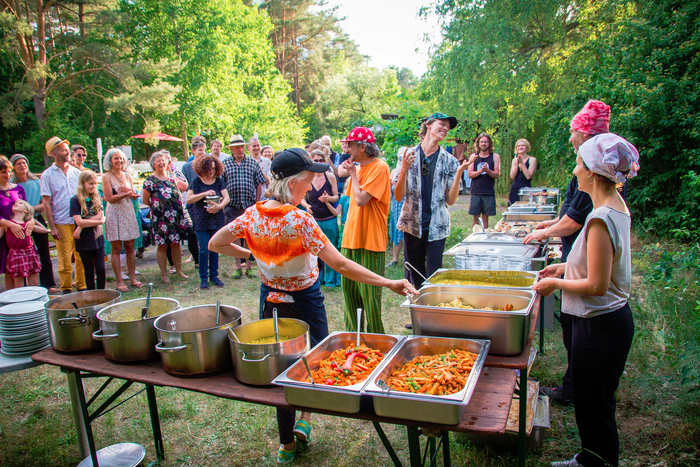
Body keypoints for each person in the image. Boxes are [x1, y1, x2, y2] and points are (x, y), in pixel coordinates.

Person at [208, 148, 416, 465]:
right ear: (293, 183)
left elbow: (216, 243)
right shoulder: (300, 220)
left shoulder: (253, 215)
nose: (311, 185)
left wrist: (256, 253)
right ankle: (306, 415)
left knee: (282, 369)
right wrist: (388, 283)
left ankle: (287, 443)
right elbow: (341, 265)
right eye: (308, 179)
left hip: (271, 300)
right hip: (306, 301)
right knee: (316, 357)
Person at [533, 132, 639, 467]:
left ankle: (596, 462)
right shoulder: (614, 208)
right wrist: (564, 265)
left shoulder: (599, 219)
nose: (575, 171)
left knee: (594, 406)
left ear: (592, 172)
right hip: (610, 322)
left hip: (598, 325)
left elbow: (596, 284)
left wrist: (557, 285)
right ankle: (591, 458)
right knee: (596, 402)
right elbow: (600, 263)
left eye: (579, 164)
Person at [523, 100, 608, 406]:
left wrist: (544, 234)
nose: (570, 139)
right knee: (574, 333)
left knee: (579, 337)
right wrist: (561, 262)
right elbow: (568, 215)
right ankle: (576, 387)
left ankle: (576, 390)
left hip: (589, 283)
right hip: (576, 263)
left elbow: (573, 222)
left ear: (586, 134)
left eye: (574, 132)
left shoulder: (598, 190)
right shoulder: (587, 174)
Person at [394, 113, 468, 286]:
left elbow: (450, 200)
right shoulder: (407, 154)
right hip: (412, 225)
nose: (445, 129)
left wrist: (458, 173)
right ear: (428, 125)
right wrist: (404, 169)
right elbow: (398, 196)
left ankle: (433, 309)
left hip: (437, 225)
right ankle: (418, 309)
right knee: (415, 273)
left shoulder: (450, 161)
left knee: (435, 274)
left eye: (448, 128)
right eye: (441, 124)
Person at [337, 127, 391, 334]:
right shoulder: (358, 168)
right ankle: (353, 337)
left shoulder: (380, 167)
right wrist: (353, 172)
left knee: (370, 297)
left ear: (362, 146)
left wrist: (353, 174)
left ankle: (377, 338)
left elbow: (360, 200)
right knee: (350, 295)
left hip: (370, 240)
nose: (346, 147)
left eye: (350, 144)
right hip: (350, 238)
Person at [41, 137, 86, 294]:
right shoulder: (47, 175)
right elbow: (47, 203)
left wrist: (84, 221)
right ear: (54, 154)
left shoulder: (77, 173)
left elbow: (83, 197)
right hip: (60, 221)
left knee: (81, 255)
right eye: (63, 150)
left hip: (78, 220)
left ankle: (82, 285)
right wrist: (51, 226)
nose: (67, 152)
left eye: (67, 149)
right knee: (65, 258)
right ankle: (66, 287)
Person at [11, 154, 58, 292]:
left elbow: (44, 204)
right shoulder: (13, 186)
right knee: (23, 253)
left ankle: (47, 285)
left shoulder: (37, 182)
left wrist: (28, 209)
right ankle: (25, 287)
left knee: (44, 252)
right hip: (19, 222)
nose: (22, 165)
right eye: (18, 163)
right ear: (13, 167)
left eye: (24, 163)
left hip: (37, 218)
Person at [222, 134, 265, 279]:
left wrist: (257, 201)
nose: (240, 150)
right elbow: (221, 185)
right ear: (231, 149)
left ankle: (248, 266)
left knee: (248, 235)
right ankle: (237, 266)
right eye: (236, 147)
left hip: (249, 204)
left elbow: (259, 182)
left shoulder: (252, 163)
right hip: (232, 205)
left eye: (241, 146)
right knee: (234, 235)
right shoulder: (225, 164)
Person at [142, 151, 190, 283]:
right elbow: (145, 200)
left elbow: (184, 188)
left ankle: (179, 272)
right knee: (162, 246)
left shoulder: (172, 176)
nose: (161, 163)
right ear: (153, 164)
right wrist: (160, 206)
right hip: (160, 219)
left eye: (163, 160)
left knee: (176, 244)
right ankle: (164, 275)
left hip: (175, 217)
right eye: (158, 160)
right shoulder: (150, 181)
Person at [102, 147, 143, 292]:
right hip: (115, 213)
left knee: (131, 247)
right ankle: (119, 280)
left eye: (120, 158)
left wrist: (132, 195)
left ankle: (132, 278)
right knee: (116, 248)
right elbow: (109, 199)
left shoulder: (127, 175)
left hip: (128, 211)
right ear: (110, 161)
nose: (119, 161)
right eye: (115, 158)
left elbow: (131, 193)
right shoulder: (106, 177)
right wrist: (125, 194)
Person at [186, 155, 229, 289]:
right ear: (202, 168)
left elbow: (226, 198)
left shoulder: (219, 181)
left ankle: (214, 275)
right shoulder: (196, 182)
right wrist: (204, 194)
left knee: (214, 248)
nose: (211, 171)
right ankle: (203, 278)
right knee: (204, 250)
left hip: (216, 219)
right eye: (209, 169)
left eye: (214, 168)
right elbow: (188, 199)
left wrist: (219, 206)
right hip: (201, 220)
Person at [303, 149, 340, 287]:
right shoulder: (308, 176)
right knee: (315, 251)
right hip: (314, 220)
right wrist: (306, 205)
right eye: (315, 160)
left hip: (329, 218)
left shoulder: (330, 176)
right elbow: (301, 198)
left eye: (321, 160)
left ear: (324, 161)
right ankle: (318, 279)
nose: (318, 162)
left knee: (331, 250)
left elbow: (337, 196)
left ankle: (331, 280)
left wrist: (328, 198)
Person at [70, 171, 106, 290]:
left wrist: (82, 226)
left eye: (95, 184)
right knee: (89, 270)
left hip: (97, 236)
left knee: (101, 268)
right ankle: (91, 294)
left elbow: (101, 215)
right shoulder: (75, 200)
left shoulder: (96, 197)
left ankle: (102, 293)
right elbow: (79, 221)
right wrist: (82, 225)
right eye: (91, 184)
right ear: (83, 183)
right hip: (84, 240)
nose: (93, 186)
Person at [1, 200, 47, 287]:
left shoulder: (28, 224)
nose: (16, 204)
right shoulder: (7, 224)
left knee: (34, 282)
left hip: (30, 254)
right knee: (19, 283)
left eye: (20, 203)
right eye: (15, 204)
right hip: (15, 255)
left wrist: (32, 220)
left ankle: (33, 298)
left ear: (26, 210)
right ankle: (21, 300)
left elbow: (44, 230)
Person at [467, 133, 501, 228]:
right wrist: (480, 171)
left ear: (489, 143)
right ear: (478, 144)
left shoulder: (495, 157)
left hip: (488, 191)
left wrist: (487, 170)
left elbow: (496, 174)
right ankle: (475, 237)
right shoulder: (473, 156)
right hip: (476, 191)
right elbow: (470, 174)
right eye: (481, 142)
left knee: (485, 218)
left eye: (485, 142)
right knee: (476, 218)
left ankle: (484, 237)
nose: (483, 144)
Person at [508, 138, 537, 205]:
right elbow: (512, 176)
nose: (520, 147)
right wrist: (517, 163)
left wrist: (522, 163)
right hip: (515, 188)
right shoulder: (514, 160)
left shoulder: (532, 159)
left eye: (522, 145)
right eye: (518, 146)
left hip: (526, 188)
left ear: (526, 147)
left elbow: (528, 176)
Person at [386, 166, 404, 268]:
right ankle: (395, 259)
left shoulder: (411, 170)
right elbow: (388, 189)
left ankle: (408, 258)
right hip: (396, 205)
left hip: (406, 205)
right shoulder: (394, 171)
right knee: (396, 230)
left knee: (406, 232)